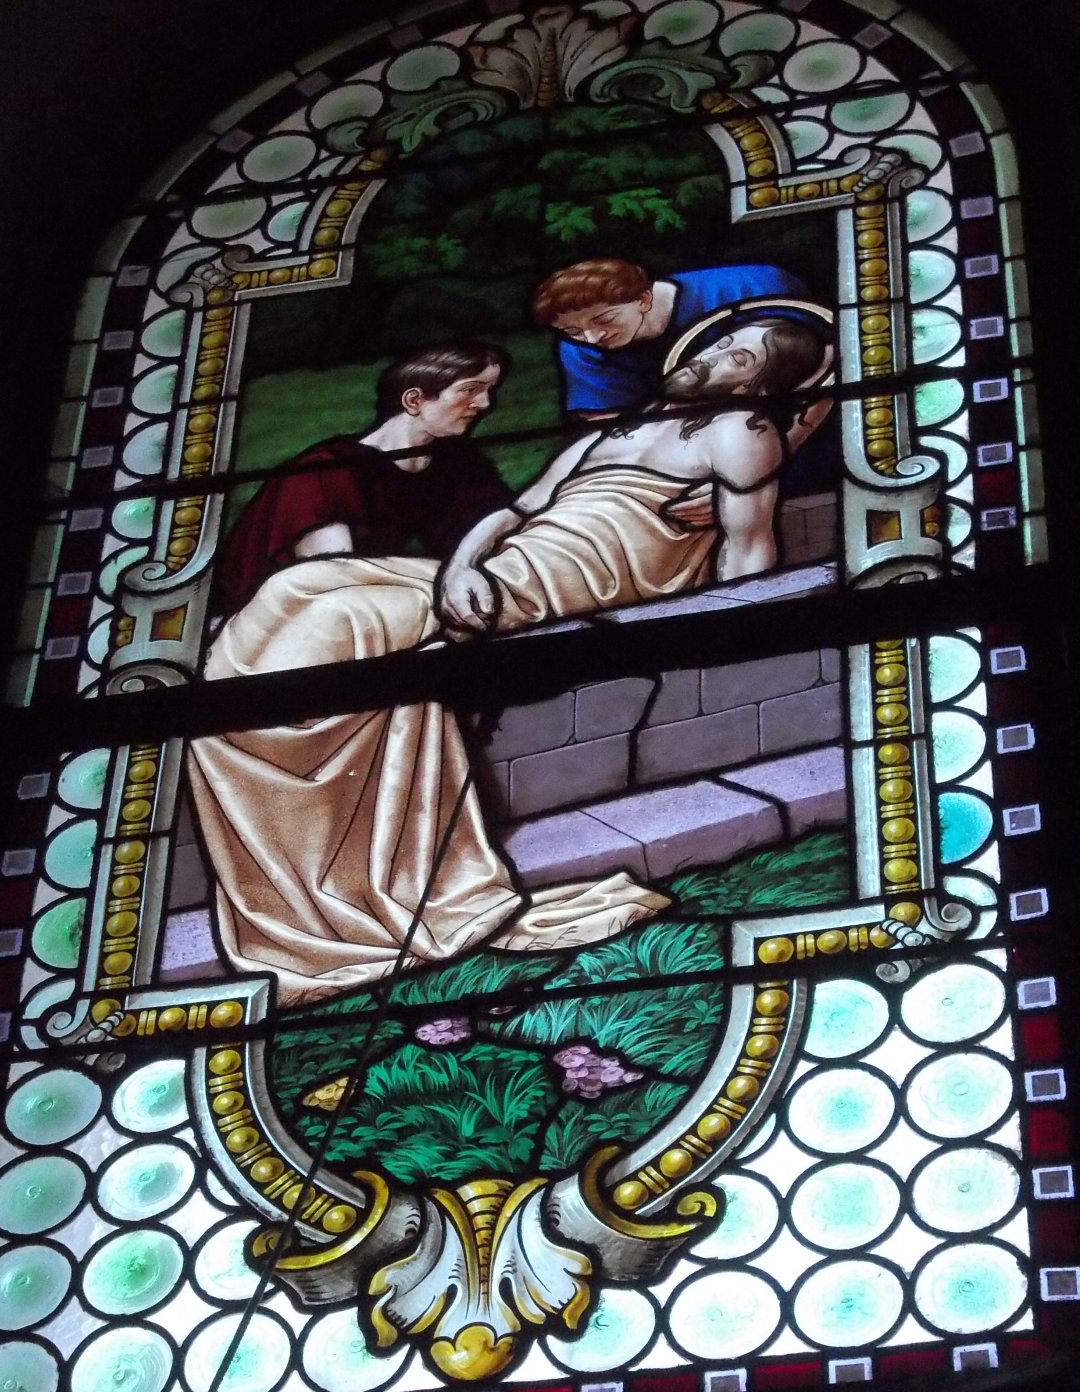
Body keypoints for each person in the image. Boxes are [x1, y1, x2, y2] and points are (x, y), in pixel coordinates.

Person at [188, 313, 832, 1009]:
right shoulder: (621, 429)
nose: (716, 354)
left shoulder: (741, 432)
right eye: (721, 342)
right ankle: (263, 770)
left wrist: (727, 629)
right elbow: (518, 511)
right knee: (298, 587)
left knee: (339, 620)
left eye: (742, 357)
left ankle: (273, 779)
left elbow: (748, 545)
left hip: (552, 589)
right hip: (495, 573)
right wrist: (462, 565)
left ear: (760, 385)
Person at [213, 342, 510, 618]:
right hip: (271, 622)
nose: (485, 403)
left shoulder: (457, 463)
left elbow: (504, 531)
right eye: (470, 390)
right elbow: (337, 580)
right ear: (414, 400)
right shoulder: (328, 471)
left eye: (489, 390)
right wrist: (449, 574)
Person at [532, 256, 807, 418]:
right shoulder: (580, 349)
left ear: (643, 299)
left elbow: (820, 358)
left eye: (605, 320)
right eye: (573, 331)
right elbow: (606, 420)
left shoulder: (751, 288)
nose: (592, 338)